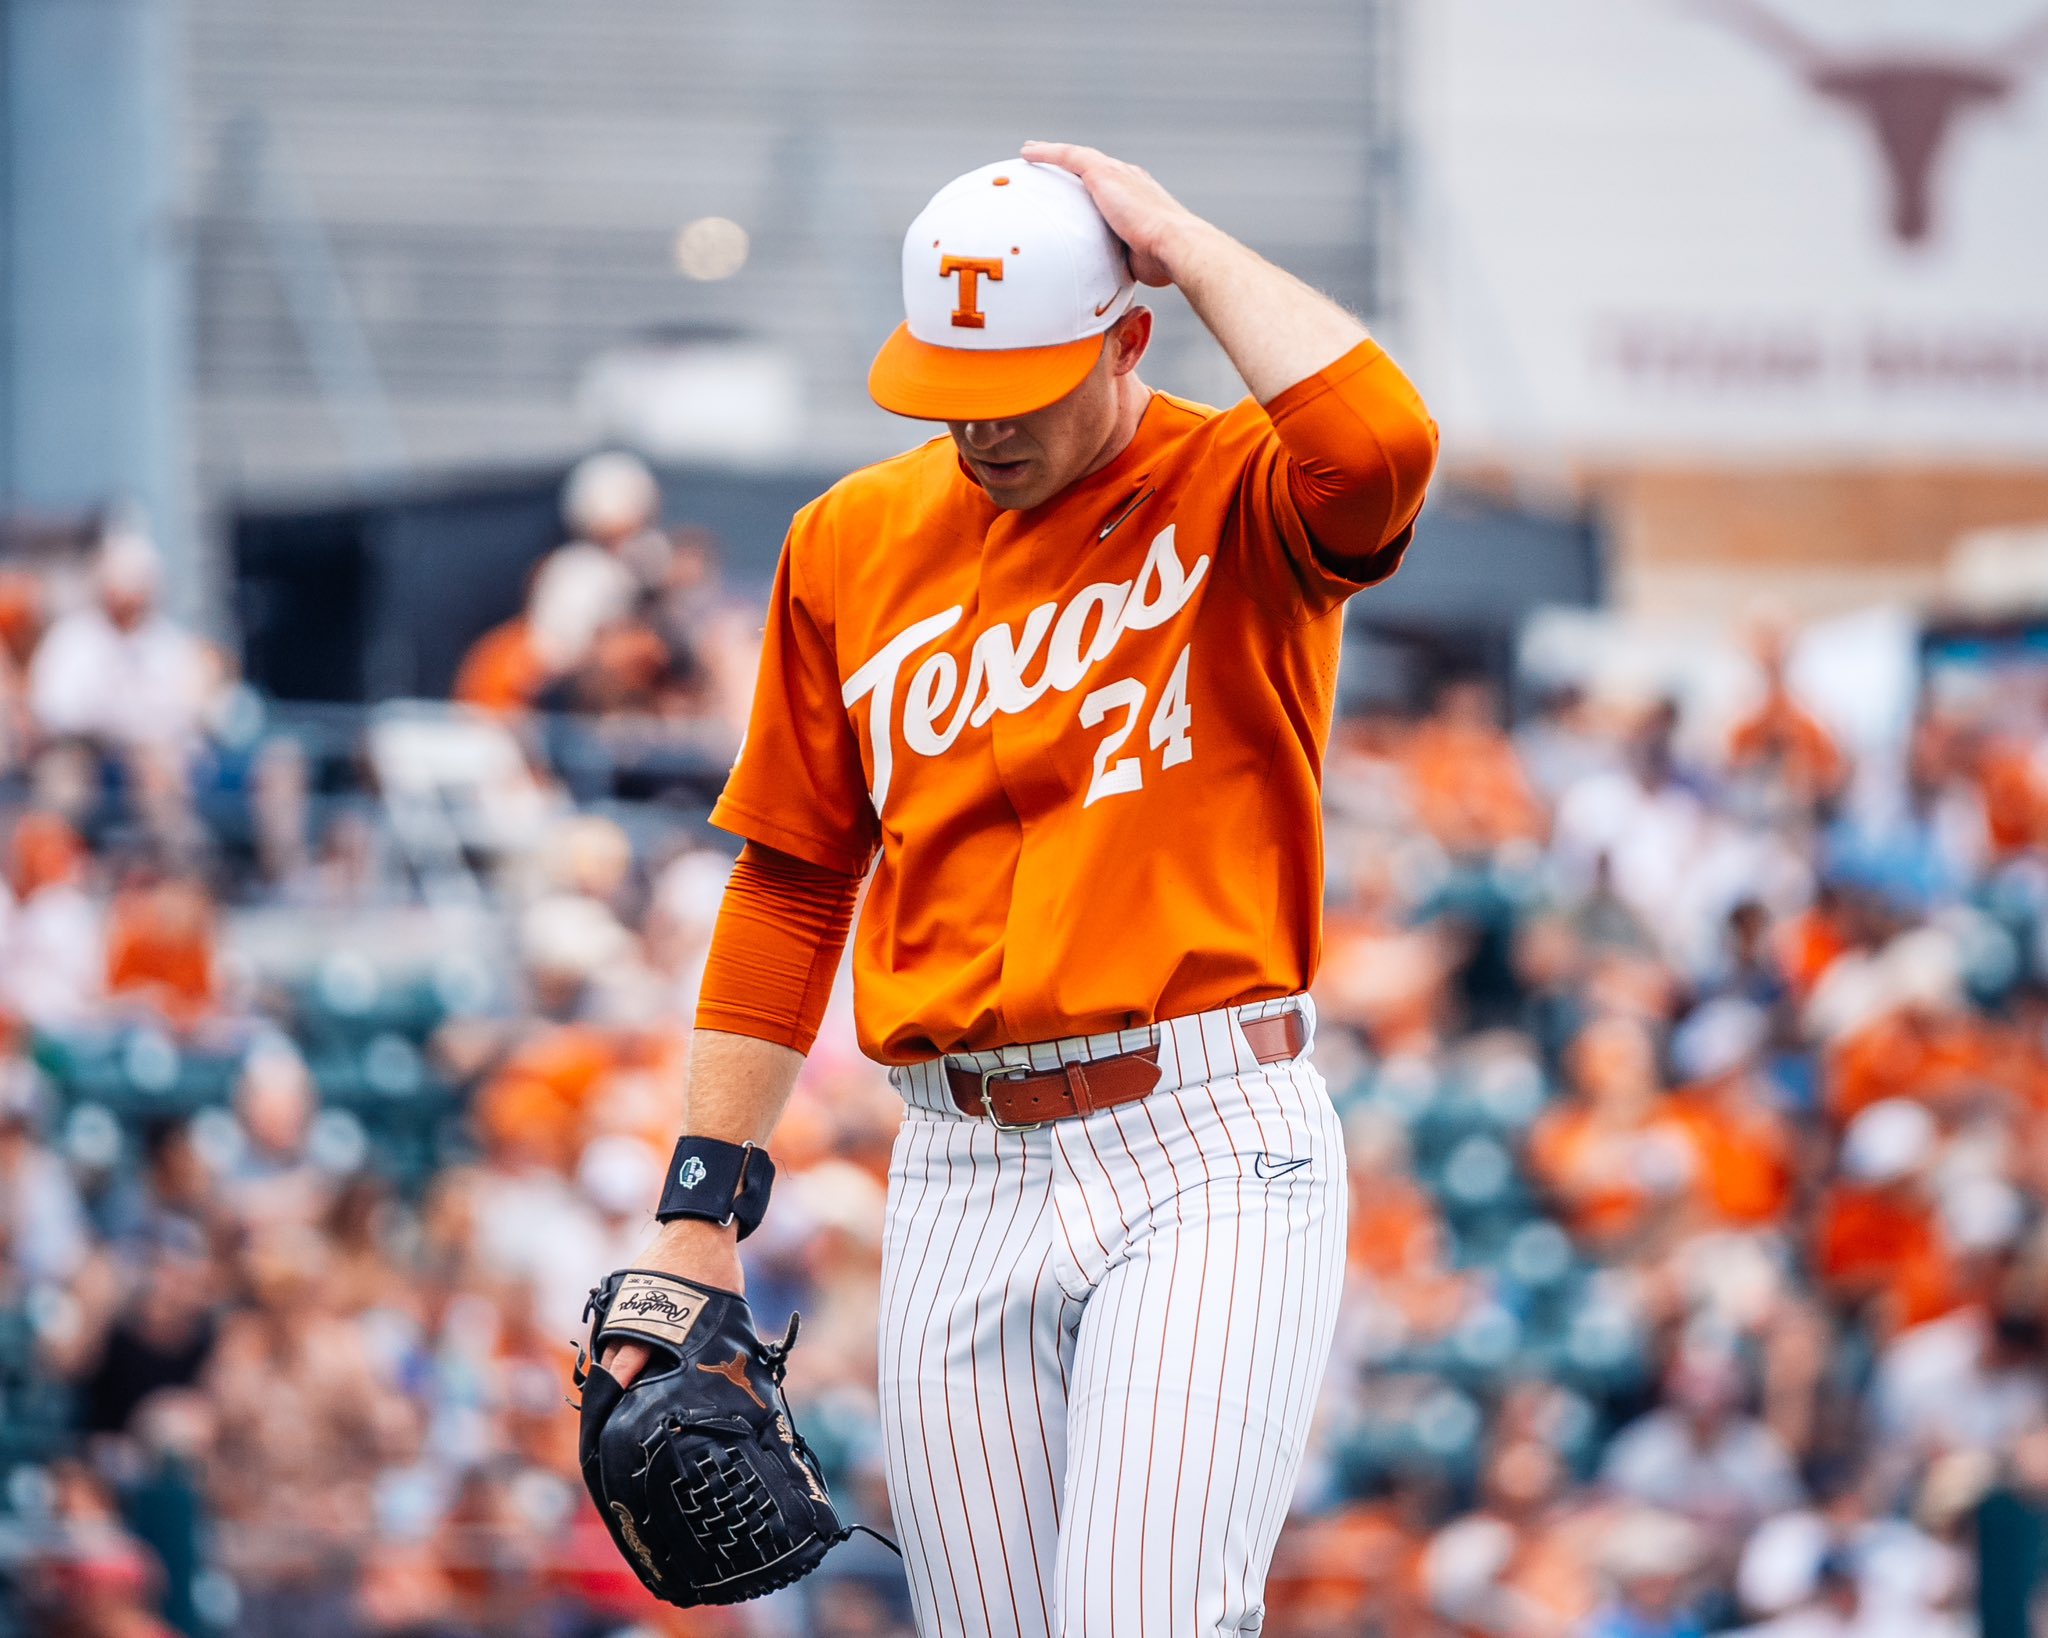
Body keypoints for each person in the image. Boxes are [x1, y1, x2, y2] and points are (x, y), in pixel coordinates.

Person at [596, 144, 1436, 1634]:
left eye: (1020, 387)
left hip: (1207, 1141)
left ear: (1129, 337)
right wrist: (697, 1202)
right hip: (958, 1162)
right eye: (951, 388)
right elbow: (793, 880)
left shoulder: (1237, 489)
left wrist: (1174, 229)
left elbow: (1381, 444)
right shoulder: (851, 540)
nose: (979, 427)